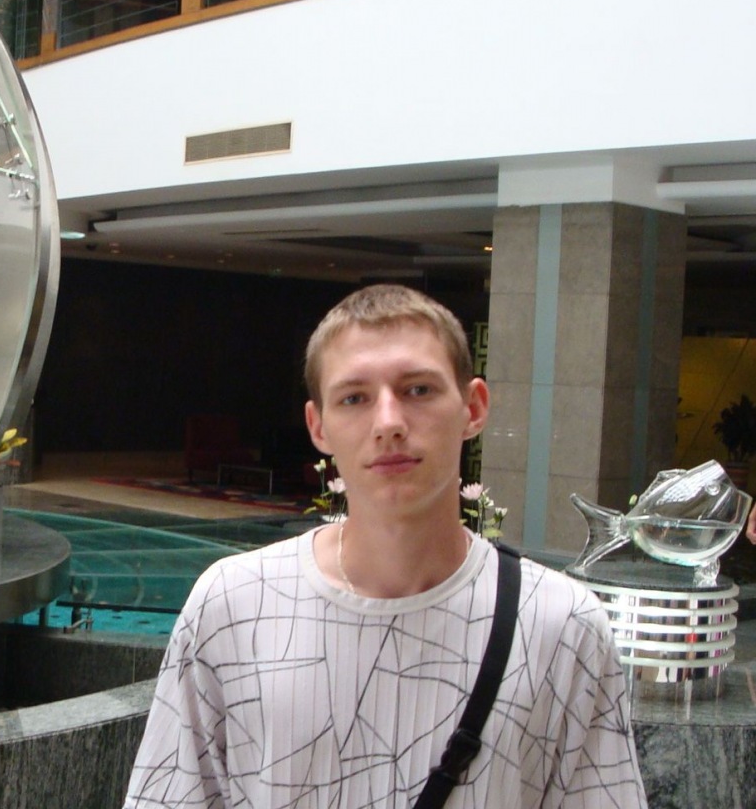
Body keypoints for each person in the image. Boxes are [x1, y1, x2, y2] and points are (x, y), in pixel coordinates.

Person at [124, 284, 647, 808]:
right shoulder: (233, 605)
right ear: (318, 426)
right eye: (354, 398)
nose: (389, 423)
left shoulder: (562, 624)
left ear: (473, 407)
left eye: (418, 389)